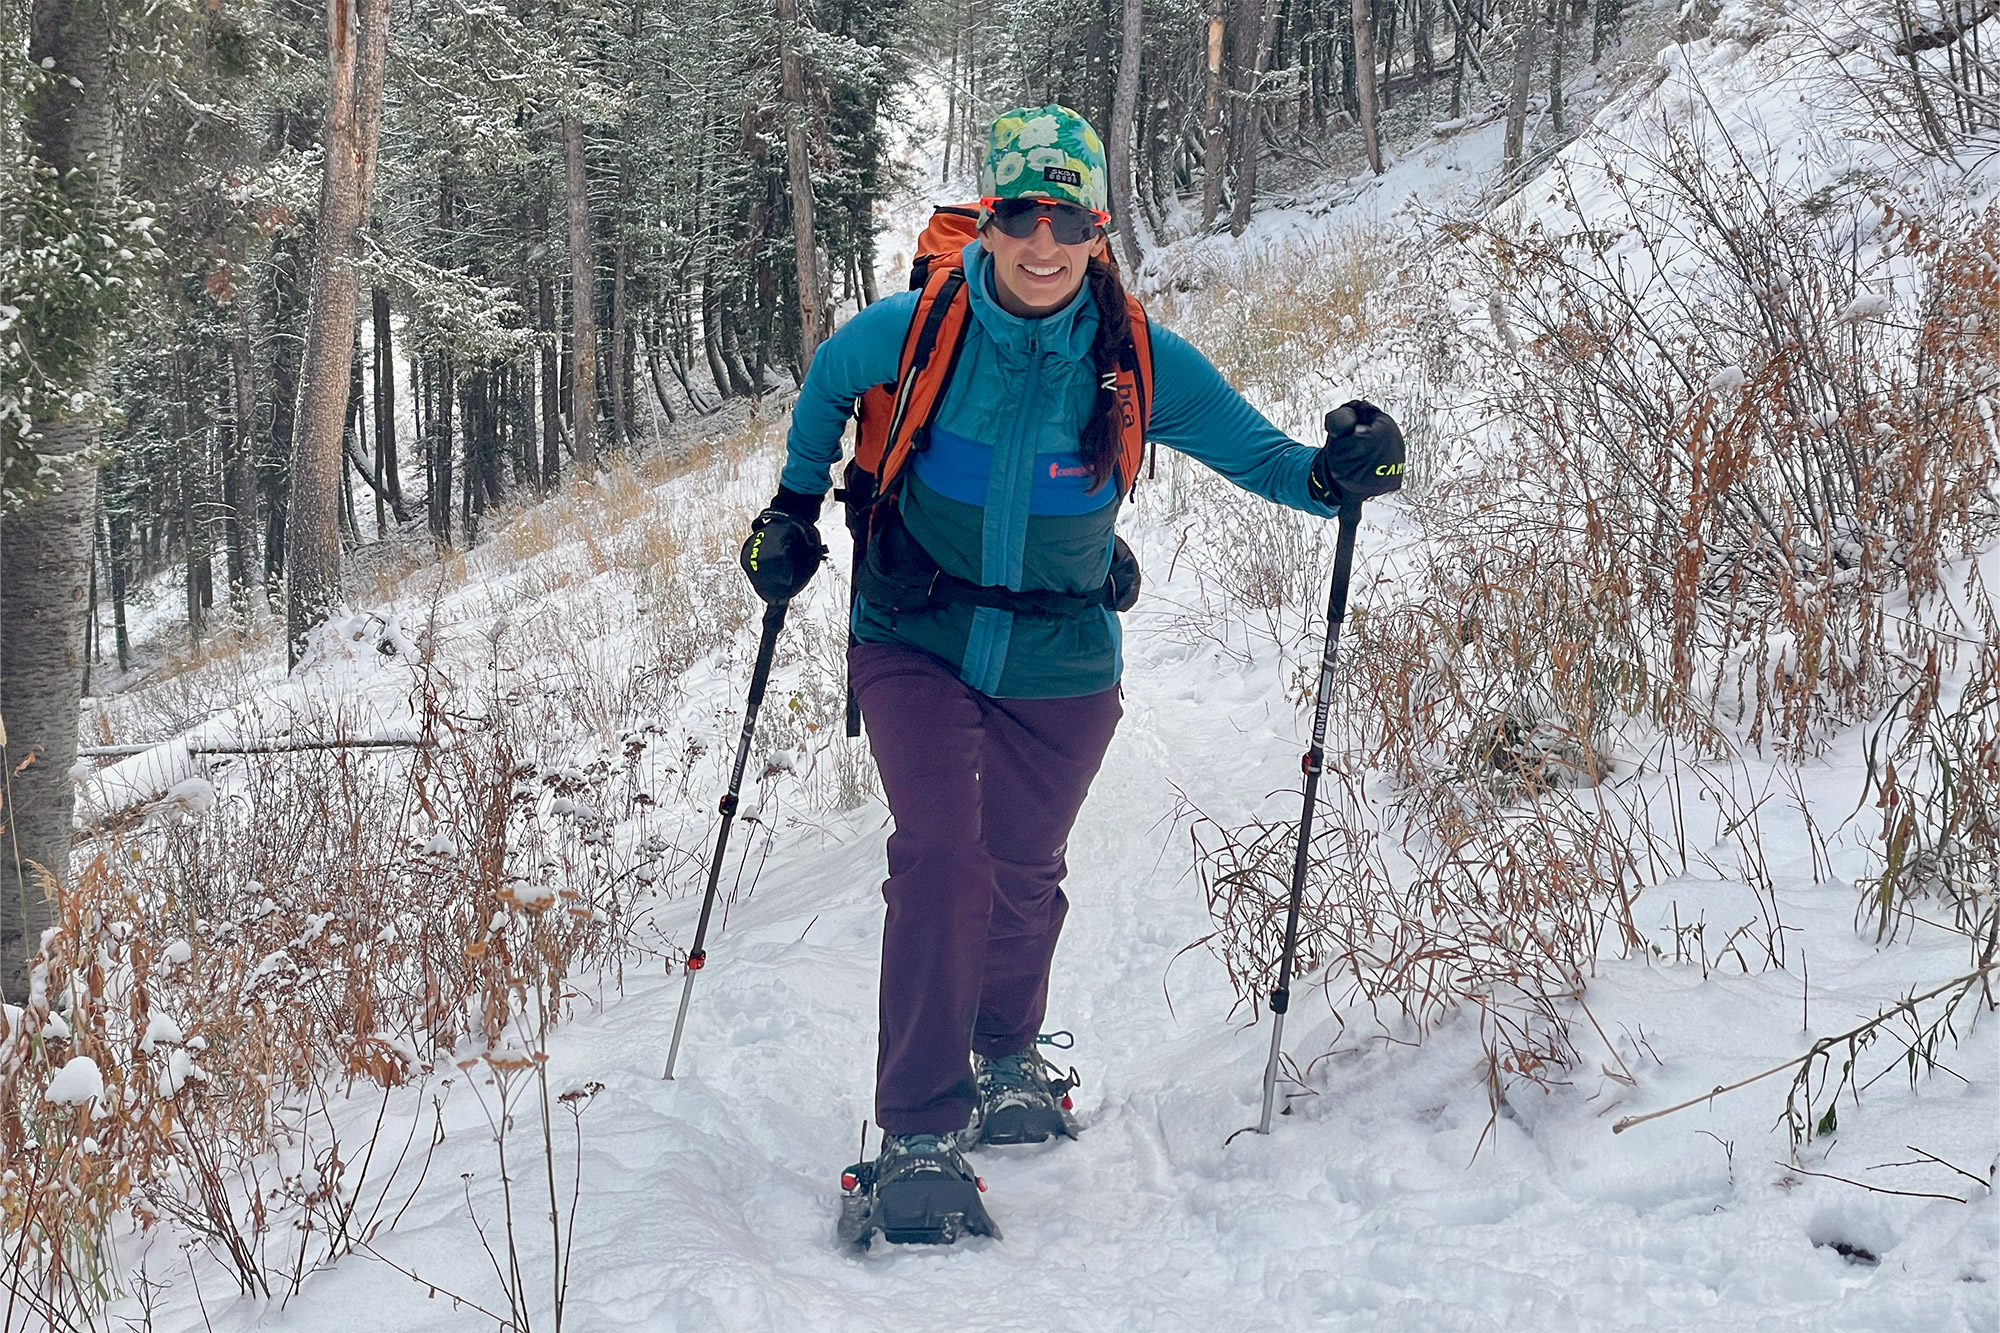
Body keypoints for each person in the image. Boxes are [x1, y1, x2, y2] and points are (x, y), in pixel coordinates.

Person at [738, 104, 1404, 1244]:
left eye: (1068, 220)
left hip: (1062, 653)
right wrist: (791, 507)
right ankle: (915, 1129)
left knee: (1022, 866)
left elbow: (1271, 465)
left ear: (1100, 229)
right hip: (914, 631)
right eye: (1018, 215)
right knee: (942, 851)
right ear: (985, 220)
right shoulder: (908, 333)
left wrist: (1344, 472)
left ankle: (1006, 1059)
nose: (1041, 244)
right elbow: (823, 390)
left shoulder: (1138, 357)